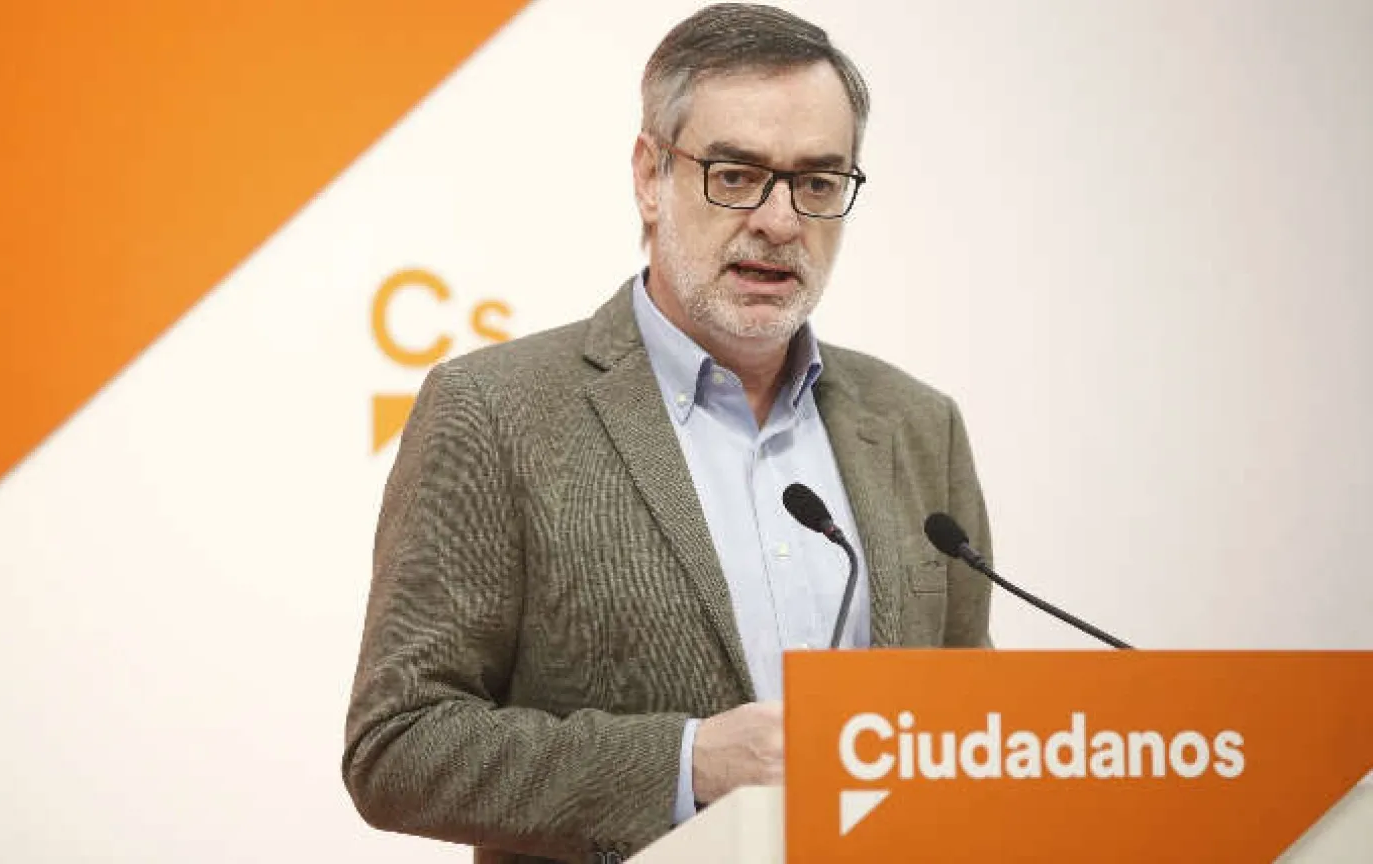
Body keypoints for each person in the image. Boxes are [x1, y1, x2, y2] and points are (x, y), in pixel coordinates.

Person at [342, 4, 993, 862]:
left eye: (817, 182)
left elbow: (969, 727)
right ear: (650, 177)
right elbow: (398, 747)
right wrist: (689, 762)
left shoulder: (917, 425)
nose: (780, 222)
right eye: (736, 174)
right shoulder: (493, 411)